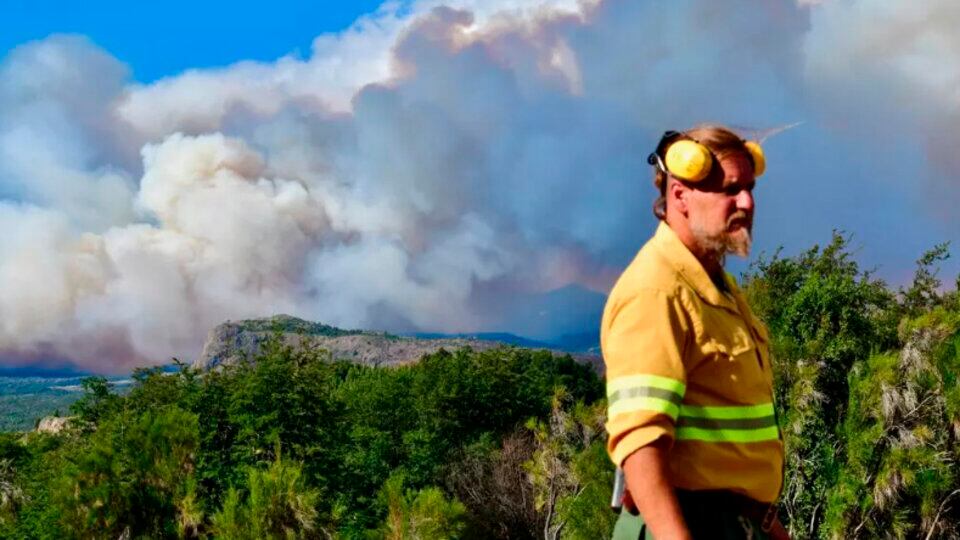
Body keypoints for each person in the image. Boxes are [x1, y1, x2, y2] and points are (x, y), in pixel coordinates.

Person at [602, 124, 789, 539]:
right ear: (680, 195)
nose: (746, 202)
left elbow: (724, 451)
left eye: (750, 187)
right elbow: (640, 445)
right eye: (729, 189)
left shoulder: (714, 288)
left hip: (734, 524)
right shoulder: (656, 292)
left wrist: (769, 527)